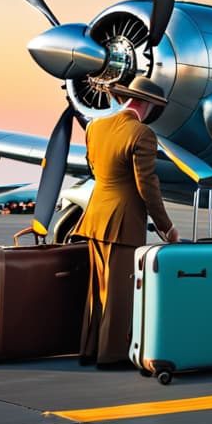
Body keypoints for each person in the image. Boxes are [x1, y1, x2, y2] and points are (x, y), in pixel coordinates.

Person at [74, 75, 180, 368]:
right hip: (123, 222)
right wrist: (166, 227)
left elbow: (95, 168)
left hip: (95, 217)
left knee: (97, 290)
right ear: (145, 104)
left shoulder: (95, 127)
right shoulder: (141, 134)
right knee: (121, 291)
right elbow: (147, 186)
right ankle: (113, 354)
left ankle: (90, 349)